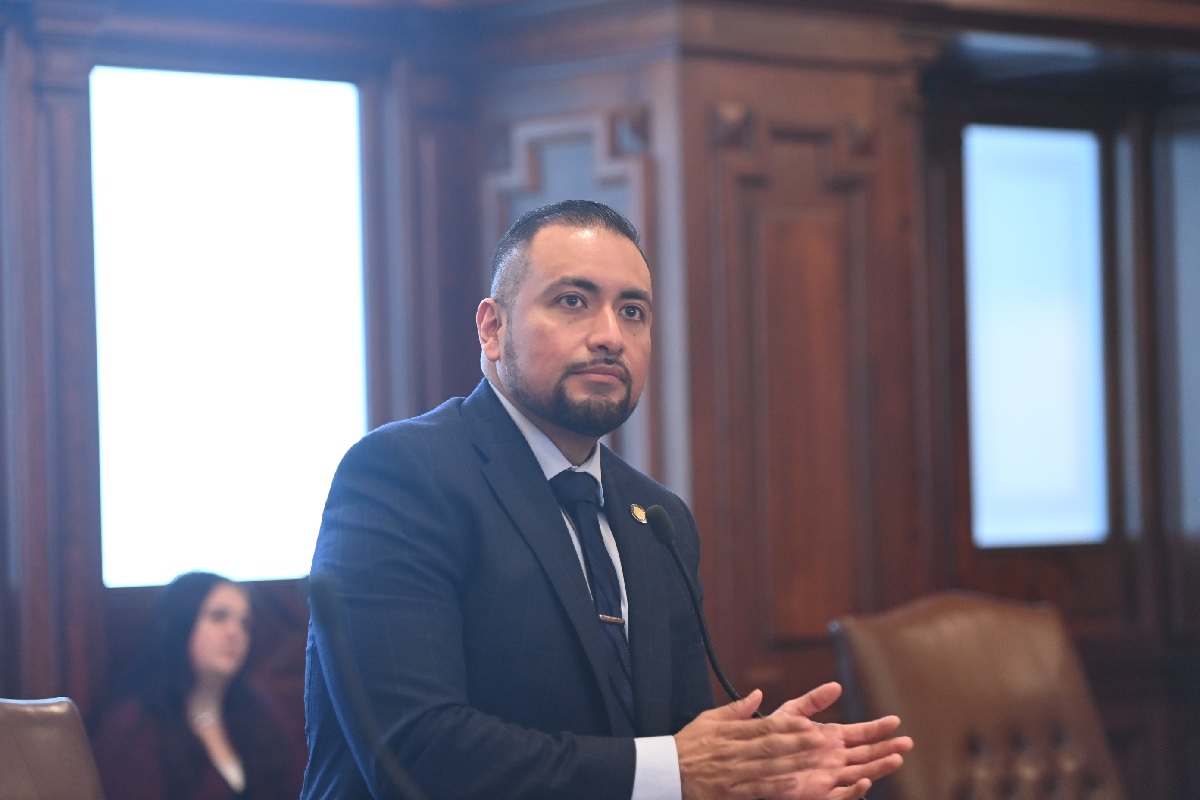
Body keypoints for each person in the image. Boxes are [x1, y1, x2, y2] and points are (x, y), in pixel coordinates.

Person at [302, 199, 913, 800]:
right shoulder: (404, 474)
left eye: (633, 312)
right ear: (492, 328)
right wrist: (675, 771)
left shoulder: (658, 518)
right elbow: (417, 755)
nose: (610, 337)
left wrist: (752, 783)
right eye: (573, 302)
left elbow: (685, 758)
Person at [92, 571, 303, 800]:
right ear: (179, 625)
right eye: (219, 617)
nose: (235, 632)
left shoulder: (261, 710)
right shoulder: (132, 725)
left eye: (245, 623)